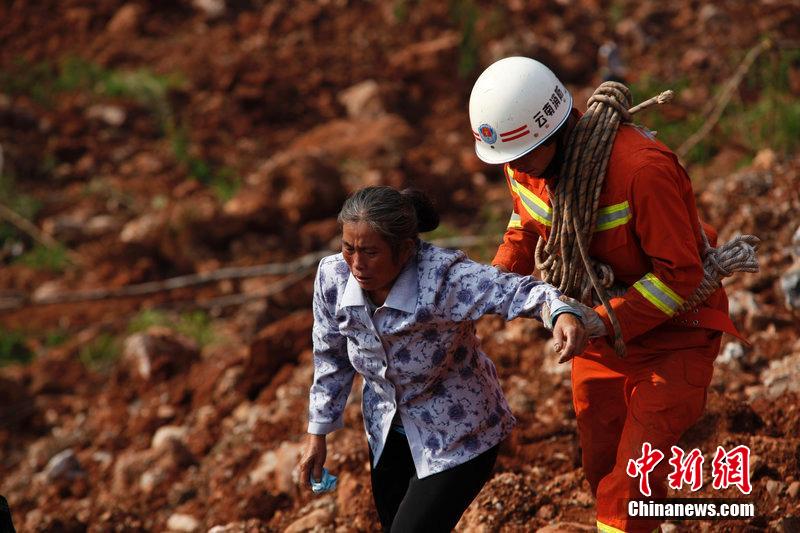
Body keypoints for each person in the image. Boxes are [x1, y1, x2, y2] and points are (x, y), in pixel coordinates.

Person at [468, 56, 735, 533]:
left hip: (675, 336)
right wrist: (486, 287)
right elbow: (525, 225)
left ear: (554, 131)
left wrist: (601, 319)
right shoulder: (523, 159)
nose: (512, 168)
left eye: (521, 157)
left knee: (627, 488)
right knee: (601, 466)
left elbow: (680, 275)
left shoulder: (641, 170)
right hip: (599, 342)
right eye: (506, 162)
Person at [298, 186, 596, 532]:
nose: (357, 264)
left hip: (461, 435)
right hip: (387, 432)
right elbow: (331, 356)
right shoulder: (332, 277)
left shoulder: (444, 278)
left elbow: (515, 290)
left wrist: (559, 313)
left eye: (370, 252)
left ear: (406, 250)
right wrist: (317, 432)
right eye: (348, 248)